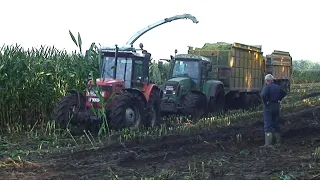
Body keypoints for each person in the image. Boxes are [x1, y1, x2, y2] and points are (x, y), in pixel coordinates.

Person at [260, 74, 287, 148]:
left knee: (268, 123)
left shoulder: (267, 87)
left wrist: (265, 102)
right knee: (276, 122)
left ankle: (268, 143)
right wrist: (280, 99)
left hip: (269, 106)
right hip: (276, 105)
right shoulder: (277, 87)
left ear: (266, 80)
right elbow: (284, 93)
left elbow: (263, 95)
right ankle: (278, 141)